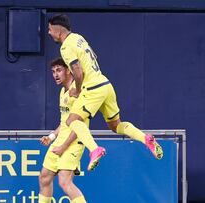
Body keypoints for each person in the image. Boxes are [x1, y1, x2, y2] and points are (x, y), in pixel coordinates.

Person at [47, 14, 163, 171]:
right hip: (105, 83)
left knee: (72, 120)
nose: (48, 32)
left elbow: (77, 71)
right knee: (116, 126)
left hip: (92, 87)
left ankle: (94, 149)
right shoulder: (78, 38)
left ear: (57, 29)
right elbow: (94, 56)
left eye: (49, 29)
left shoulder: (66, 47)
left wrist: (78, 89)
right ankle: (145, 138)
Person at [38, 58, 88, 203]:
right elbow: (64, 122)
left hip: (74, 141)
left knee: (64, 182)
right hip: (60, 141)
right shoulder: (63, 92)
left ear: (68, 70)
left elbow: (79, 125)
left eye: (59, 70)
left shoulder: (78, 92)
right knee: (44, 177)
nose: (55, 75)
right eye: (53, 72)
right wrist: (52, 136)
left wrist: (64, 147)